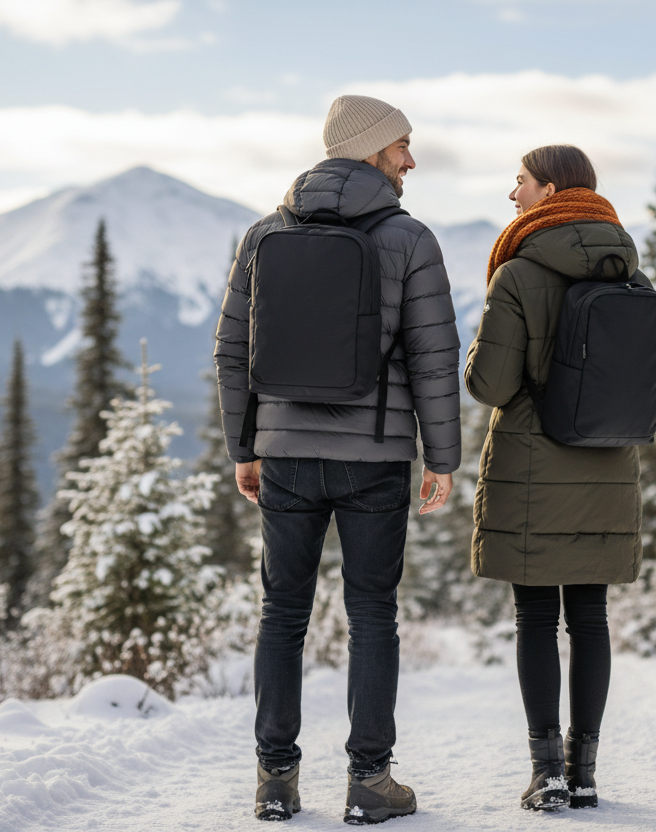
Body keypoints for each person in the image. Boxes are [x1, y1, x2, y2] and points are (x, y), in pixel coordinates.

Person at [214, 94, 461, 824]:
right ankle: (369, 781)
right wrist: (439, 458)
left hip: (285, 456)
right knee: (372, 615)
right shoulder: (409, 238)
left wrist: (245, 446)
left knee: (282, 614)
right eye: (402, 146)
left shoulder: (265, 233)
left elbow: (233, 352)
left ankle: (275, 780)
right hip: (374, 459)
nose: (411, 160)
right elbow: (434, 359)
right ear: (368, 149)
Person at [464, 145, 646, 811]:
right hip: (607, 464)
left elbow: (490, 384)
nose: (513, 194)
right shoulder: (629, 272)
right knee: (590, 614)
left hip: (535, 468)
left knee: (537, 615)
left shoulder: (518, 273)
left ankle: (547, 775)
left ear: (548, 189)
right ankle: (587, 771)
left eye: (520, 182)